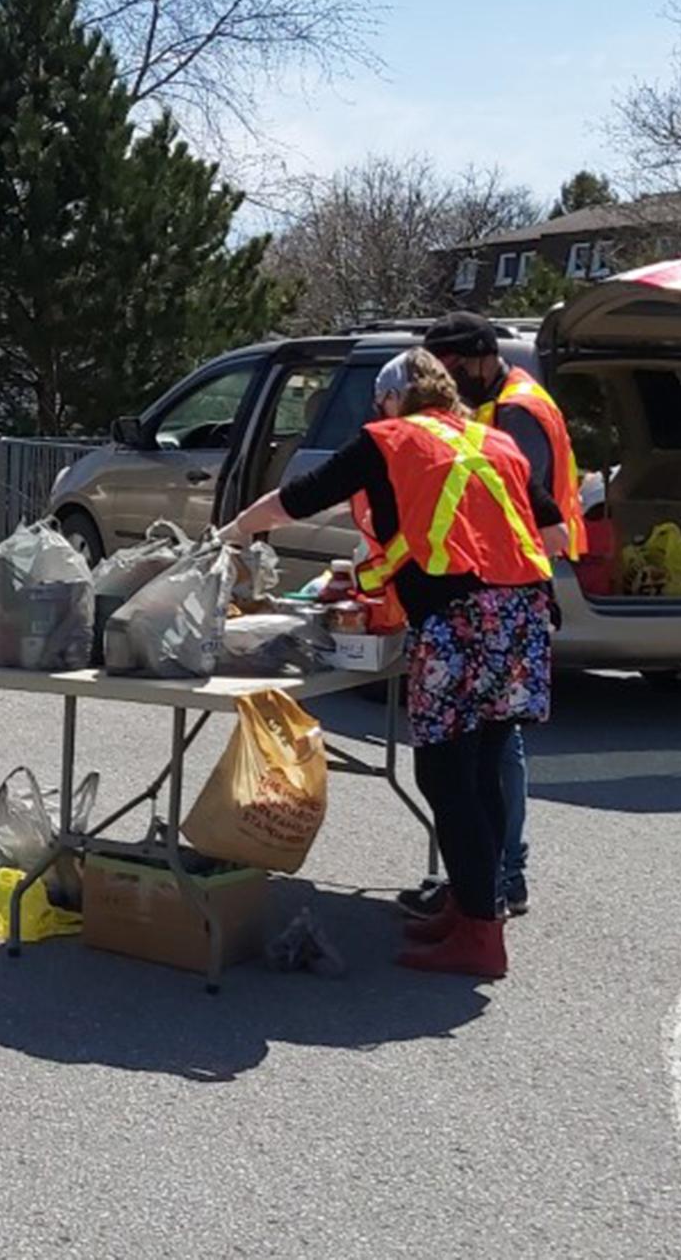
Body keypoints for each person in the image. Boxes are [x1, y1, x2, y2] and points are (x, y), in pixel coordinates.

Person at [219, 350, 555, 978]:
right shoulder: (493, 443)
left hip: (460, 624)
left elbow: (299, 499)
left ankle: (479, 938)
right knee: (480, 771)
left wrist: (235, 529)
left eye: (380, 404)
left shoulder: (392, 440)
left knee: (445, 775)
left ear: (395, 399)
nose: (377, 415)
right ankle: (473, 908)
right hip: (520, 620)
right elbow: (554, 530)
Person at [415, 312, 585, 918]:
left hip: (509, 590)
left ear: (483, 358)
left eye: (456, 371)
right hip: (509, 585)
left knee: (497, 743)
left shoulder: (516, 412)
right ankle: (485, 874)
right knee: (494, 739)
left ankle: (502, 874)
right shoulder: (498, 405)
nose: (451, 383)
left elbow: (515, 505)